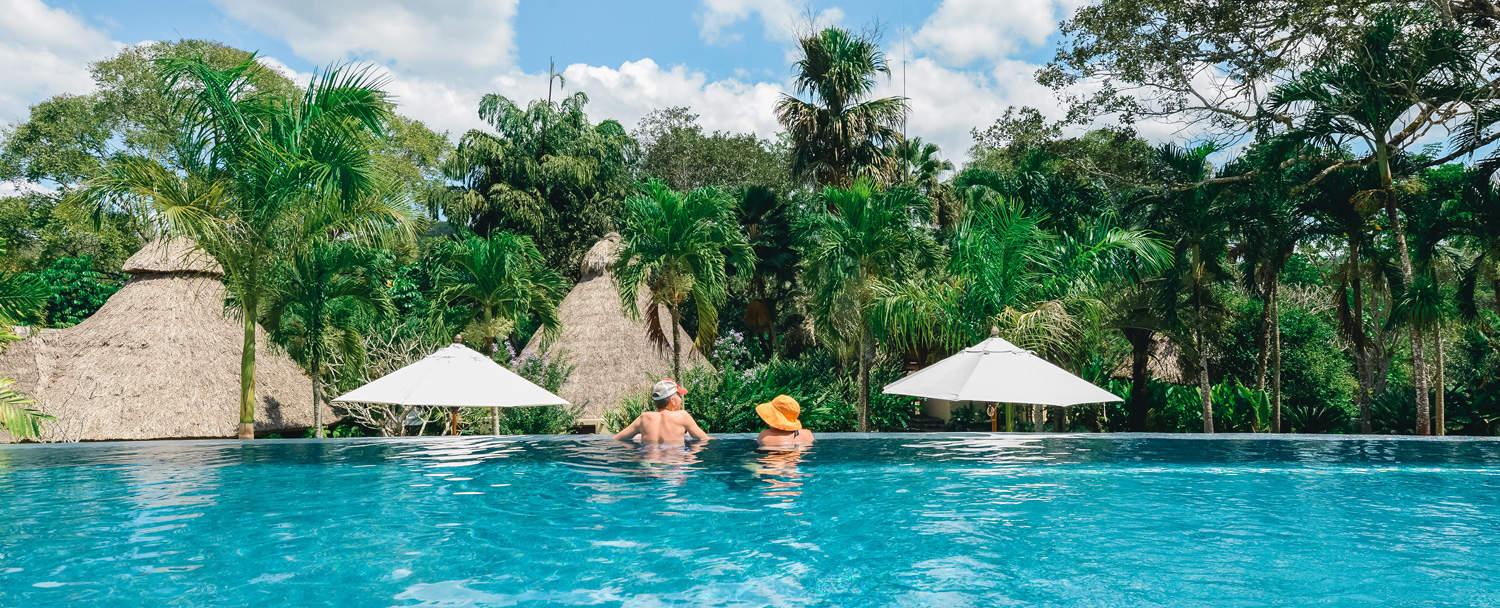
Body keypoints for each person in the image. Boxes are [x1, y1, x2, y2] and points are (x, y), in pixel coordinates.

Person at [613, 378, 711, 446]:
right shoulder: (683, 416)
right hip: (673, 466)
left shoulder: (644, 418)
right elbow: (704, 439)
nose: (681, 399)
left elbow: (618, 438)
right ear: (673, 400)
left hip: (651, 465)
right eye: (679, 396)